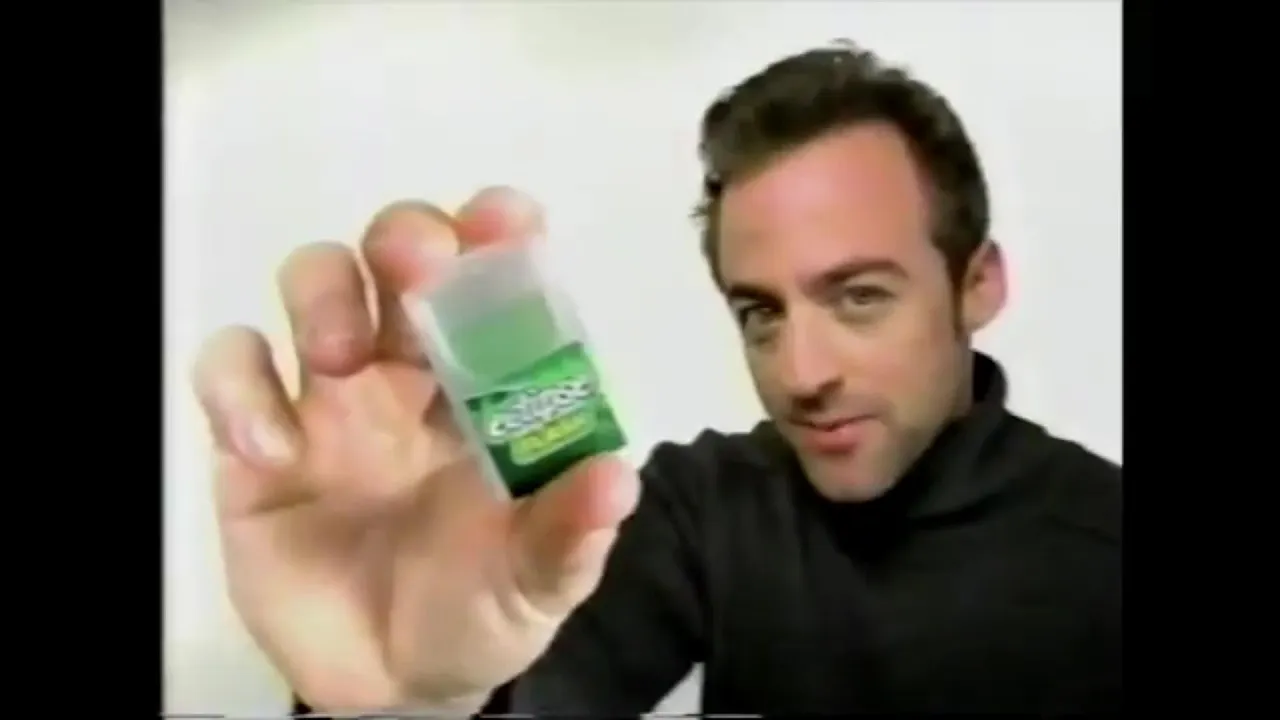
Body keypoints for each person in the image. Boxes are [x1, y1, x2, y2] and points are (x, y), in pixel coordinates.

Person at [192, 41, 1122, 716]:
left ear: (977, 283)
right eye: (761, 313)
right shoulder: (699, 506)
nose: (801, 375)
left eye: (860, 298)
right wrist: (406, 699)